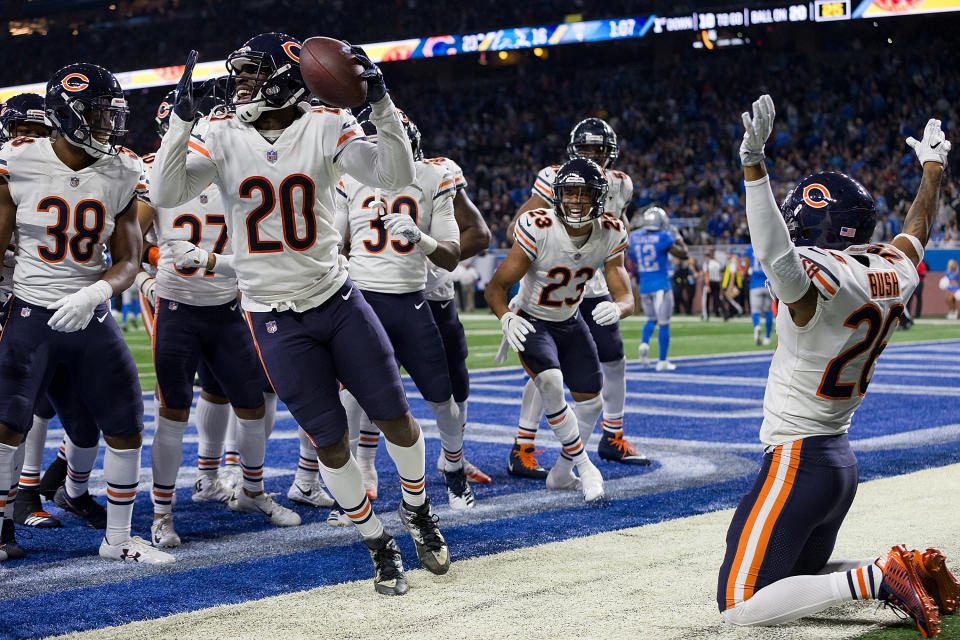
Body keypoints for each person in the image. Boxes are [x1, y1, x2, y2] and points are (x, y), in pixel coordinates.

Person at [150, 34, 449, 595]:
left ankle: (418, 509)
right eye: (237, 73)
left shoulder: (327, 124)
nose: (239, 84)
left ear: (289, 78)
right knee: (330, 442)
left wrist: (379, 105)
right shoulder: (219, 131)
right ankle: (377, 539)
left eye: (252, 74)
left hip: (335, 297)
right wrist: (178, 126)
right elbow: (166, 192)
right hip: (272, 316)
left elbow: (392, 175)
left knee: (394, 415)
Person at [718, 95, 957, 636]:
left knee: (739, 602)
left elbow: (776, 255)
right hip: (836, 460)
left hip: (799, 459)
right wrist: (934, 171)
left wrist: (753, 166)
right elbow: (918, 228)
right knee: (793, 578)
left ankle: (879, 575)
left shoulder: (818, 276)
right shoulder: (894, 270)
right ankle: (910, 569)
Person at [0, 63, 173, 563]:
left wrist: (94, 295)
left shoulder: (122, 169)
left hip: (89, 313)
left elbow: (128, 260)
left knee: (125, 423)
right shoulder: (19, 160)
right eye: (98, 115)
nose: (109, 126)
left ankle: (117, 541)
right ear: (65, 112)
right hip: (30, 310)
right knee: (7, 424)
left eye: (111, 115)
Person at [143, 90, 303, 550]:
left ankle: (252, 492)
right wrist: (154, 262)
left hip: (228, 305)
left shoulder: (239, 169)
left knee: (252, 404)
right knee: (172, 411)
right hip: (177, 305)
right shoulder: (154, 174)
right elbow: (130, 243)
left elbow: (262, 244)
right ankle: (161, 513)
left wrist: (213, 260)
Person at [334, 106, 474, 511]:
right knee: (351, 398)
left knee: (441, 398)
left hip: (412, 300)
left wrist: (423, 241)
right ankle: (354, 483)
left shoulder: (433, 178)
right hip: (360, 301)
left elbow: (450, 255)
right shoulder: (351, 180)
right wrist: (336, 260)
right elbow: (332, 236)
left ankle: (454, 469)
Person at [485, 158, 635, 502]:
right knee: (550, 382)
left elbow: (626, 294)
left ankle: (562, 473)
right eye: (570, 193)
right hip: (533, 319)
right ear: (558, 195)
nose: (577, 201)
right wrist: (506, 317)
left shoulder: (610, 231)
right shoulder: (538, 226)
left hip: (569, 319)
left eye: (585, 194)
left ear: (599, 198)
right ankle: (586, 467)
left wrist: (619, 308)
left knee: (592, 402)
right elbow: (495, 287)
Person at [504, 118, 646, 476]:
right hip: (558, 284)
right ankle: (523, 445)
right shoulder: (554, 176)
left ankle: (612, 436)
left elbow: (618, 232)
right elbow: (515, 228)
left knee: (614, 358)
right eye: (585, 150)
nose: (593, 156)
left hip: (594, 283)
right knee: (545, 371)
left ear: (610, 153)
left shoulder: (621, 184)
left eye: (598, 150)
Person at [628, 205, 688, 371]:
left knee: (651, 319)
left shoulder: (635, 237)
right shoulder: (663, 237)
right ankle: (662, 361)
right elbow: (683, 254)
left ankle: (644, 343)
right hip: (661, 284)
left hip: (644, 285)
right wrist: (678, 237)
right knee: (664, 323)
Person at [743, 244, 773, 345]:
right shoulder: (767, 245)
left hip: (755, 285)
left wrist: (744, 275)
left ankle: (757, 326)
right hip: (768, 283)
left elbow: (747, 265)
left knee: (755, 311)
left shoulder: (749, 248)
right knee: (768, 311)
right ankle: (767, 337)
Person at [702, 250, 722, 320]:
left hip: (710, 282)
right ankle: (717, 313)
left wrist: (707, 285)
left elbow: (706, 274)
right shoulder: (717, 263)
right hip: (717, 282)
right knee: (716, 299)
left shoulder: (706, 263)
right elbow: (720, 274)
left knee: (706, 301)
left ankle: (706, 315)